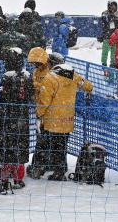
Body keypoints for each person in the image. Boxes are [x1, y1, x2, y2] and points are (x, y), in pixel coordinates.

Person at [27, 50, 94, 181]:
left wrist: (39, 114)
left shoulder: (50, 78)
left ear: (51, 63)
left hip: (51, 121)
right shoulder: (73, 75)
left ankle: (38, 168)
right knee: (61, 146)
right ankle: (59, 170)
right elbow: (88, 85)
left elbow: (44, 101)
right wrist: (89, 90)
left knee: (43, 145)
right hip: (67, 120)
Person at [0, 47, 34, 189]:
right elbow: (30, 95)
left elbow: (2, 97)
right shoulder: (27, 76)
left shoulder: (7, 76)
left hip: (7, 117)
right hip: (22, 117)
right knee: (20, 144)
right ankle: (18, 177)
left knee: (6, 144)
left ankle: (4, 175)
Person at [98, 1, 118, 67]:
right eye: (111, 6)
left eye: (114, 6)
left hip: (116, 38)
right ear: (108, 6)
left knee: (114, 55)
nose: (112, 7)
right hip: (107, 37)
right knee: (105, 53)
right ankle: (104, 66)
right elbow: (103, 23)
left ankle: (112, 67)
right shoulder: (105, 13)